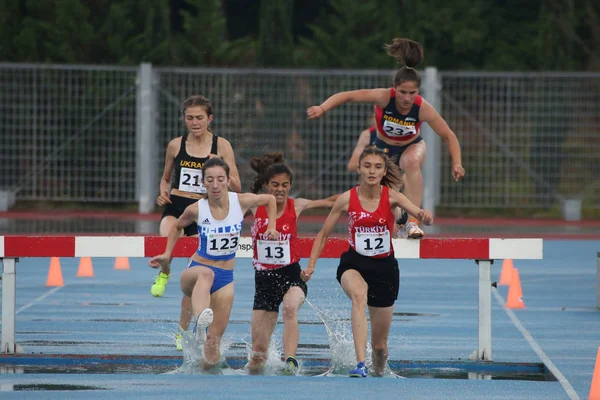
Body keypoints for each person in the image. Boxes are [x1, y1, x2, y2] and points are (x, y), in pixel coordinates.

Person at [308, 38, 464, 239]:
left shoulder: (422, 107)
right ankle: (399, 220)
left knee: (411, 161)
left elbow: (448, 135)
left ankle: (413, 223)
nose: (407, 98)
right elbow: (348, 96)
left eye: (412, 93)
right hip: (383, 150)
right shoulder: (383, 97)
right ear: (394, 88)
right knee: (383, 199)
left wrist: (457, 163)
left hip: (412, 146)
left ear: (418, 92)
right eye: (402, 93)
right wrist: (323, 107)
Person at [301, 147, 433, 378]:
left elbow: (416, 212)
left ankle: (378, 371)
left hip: (384, 269)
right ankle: (360, 363)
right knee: (359, 295)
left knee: (380, 346)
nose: (372, 171)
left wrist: (425, 216)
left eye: (377, 167)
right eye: (367, 166)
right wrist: (312, 264)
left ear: (383, 172)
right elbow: (323, 234)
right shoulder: (346, 199)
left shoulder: (392, 196)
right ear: (360, 169)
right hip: (354, 263)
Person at [149, 157, 278, 370]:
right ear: (204, 183)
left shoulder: (241, 201)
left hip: (226, 278)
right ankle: (200, 321)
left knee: (212, 351)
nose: (215, 184)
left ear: (228, 180)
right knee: (206, 275)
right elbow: (176, 227)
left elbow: (270, 200)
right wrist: (167, 254)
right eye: (210, 180)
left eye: (220, 179)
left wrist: (271, 227)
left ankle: (201, 372)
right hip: (196, 272)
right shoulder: (196, 209)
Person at [154, 95, 242, 351]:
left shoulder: (221, 145)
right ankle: (164, 272)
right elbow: (165, 178)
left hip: (204, 210)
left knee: (196, 270)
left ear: (210, 119)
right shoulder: (175, 145)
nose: (194, 123)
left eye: (199, 118)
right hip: (179, 206)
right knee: (169, 233)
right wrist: (163, 193)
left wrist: (219, 168)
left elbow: (236, 183)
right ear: (184, 119)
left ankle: (184, 330)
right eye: (189, 118)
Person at [244, 153, 339, 376]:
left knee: (289, 308)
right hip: (264, 281)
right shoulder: (254, 206)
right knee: (258, 354)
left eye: (285, 185)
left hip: (292, 277)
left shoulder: (296, 206)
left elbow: (329, 202)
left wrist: (358, 194)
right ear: (266, 185)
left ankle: (290, 360)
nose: (280, 190)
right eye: (275, 185)